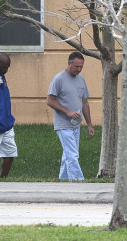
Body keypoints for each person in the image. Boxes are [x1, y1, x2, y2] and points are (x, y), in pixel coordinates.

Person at [47, 51, 95, 180]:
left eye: (81, 67)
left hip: (76, 125)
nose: (79, 70)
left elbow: (84, 102)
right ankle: (78, 181)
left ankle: (63, 180)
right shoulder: (59, 79)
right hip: (63, 125)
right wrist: (67, 111)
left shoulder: (81, 80)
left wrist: (89, 124)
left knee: (68, 155)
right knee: (73, 155)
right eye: (76, 66)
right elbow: (50, 100)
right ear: (69, 63)